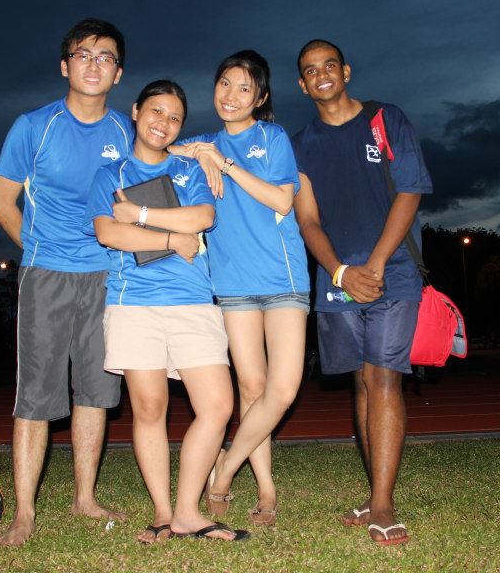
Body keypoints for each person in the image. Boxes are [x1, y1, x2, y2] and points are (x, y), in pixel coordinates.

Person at [86, 80, 249, 543]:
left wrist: (138, 214)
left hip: (192, 301)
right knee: (150, 407)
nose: (164, 123)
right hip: (133, 303)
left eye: (175, 117)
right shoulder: (111, 174)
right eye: (156, 111)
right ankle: (163, 513)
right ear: (136, 111)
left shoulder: (188, 169)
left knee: (218, 405)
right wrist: (172, 239)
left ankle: (187, 512)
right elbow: (108, 233)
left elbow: (202, 218)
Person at [0, 18, 131, 546]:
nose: (94, 65)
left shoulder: (126, 132)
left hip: (106, 275)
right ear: (65, 65)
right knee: (36, 396)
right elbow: (2, 203)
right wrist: (40, 250)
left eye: (106, 57)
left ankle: (84, 498)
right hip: (46, 273)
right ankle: (24, 514)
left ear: (119, 73)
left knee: (95, 390)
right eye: (83, 55)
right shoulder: (33, 127)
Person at [290, 39, 433, 547]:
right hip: (338, 280)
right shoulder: (300, 144)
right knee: (362, 383)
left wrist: (373, 264)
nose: (322, 74)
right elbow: (307, 219)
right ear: (302, 84)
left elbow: (410, 192)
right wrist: (339, 272)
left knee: (384, 377)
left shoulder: (385, 119)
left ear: (346, 71)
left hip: (392, 272)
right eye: (311, 70)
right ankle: (374, 493)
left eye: (329, 65)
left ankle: (384, 503)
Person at [170, 50, 310, 527]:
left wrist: (225, 164)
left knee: (282, 389)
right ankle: (266, 487)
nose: (231, 95)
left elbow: (282, 200)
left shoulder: (272, 138)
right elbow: (159, 149)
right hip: (232, 282)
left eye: (244, 88)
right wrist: (196, 151)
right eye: (225, 84)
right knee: (251, 388)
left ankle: (226, 467)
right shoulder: (204, 143)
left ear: (260, 97)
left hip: (282, 277)